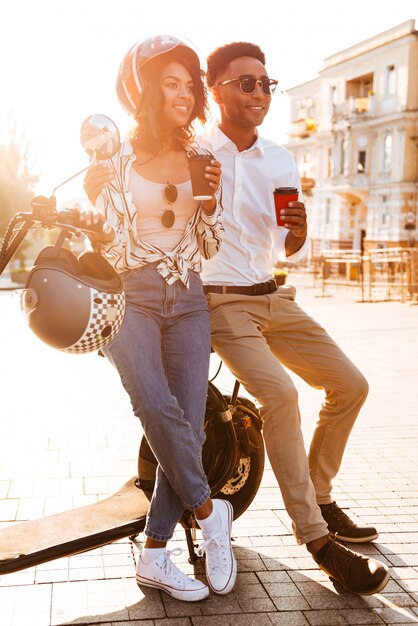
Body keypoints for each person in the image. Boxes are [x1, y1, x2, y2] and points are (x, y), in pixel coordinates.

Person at [200, 41, 389, 596]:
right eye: (247, 83)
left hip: (274, 296)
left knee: (350, 384)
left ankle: (321, 500)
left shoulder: (280, 160)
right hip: (221, 302)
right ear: (217, 90)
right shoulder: (195, 152)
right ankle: (317, 540)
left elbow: (289, 246)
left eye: (266, 83)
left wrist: (299, 234)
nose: (260, 92)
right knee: (281, 397)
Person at [82, 35, 236, 601]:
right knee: (154, 403)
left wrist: (212, 202)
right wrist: (97, 201)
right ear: (147, 93)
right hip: (133, 296)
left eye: (189, 84)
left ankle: (154, 555)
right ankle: (209, 511)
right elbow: (111, 243)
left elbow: (210, 243)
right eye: (170, 83)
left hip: (188, 297)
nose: (185, 92)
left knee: (188, 426)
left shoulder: (202, 160)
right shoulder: (117, 162)